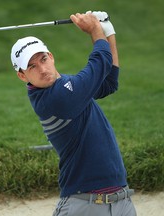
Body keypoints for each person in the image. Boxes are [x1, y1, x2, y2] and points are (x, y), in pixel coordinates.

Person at [10, 11, 137, 216]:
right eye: (32, 66)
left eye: (43, 59)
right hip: (83, 205)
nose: (42, 69)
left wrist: (108, 31)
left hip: (122, 201)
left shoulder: (68, 87)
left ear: (51, 57)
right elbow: (100, 61)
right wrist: (95, 30)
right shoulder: (53, 99)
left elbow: (109, 82)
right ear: (22, 75)